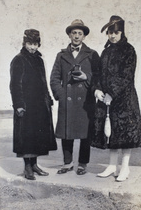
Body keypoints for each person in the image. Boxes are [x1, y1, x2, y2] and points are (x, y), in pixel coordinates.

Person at [91, 16, 141, 182]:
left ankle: (125, 168)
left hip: (124, 100)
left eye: (116, 32)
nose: (112, 36)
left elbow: (126, 76)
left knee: (125, 134)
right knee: (111, 133)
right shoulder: (105, 52)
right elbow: (98, 74)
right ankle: (112, 165)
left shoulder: (129, 50)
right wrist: (97, 89)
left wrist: (111, 93)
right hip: (107, 100)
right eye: (110, 33)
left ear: (122, 32)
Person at [50, 19, 100, 175]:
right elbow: (54, 78)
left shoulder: (92, 54)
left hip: (85, 100)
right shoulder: (61, 55)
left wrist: (86, 77)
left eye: (80, 33)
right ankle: (67, 163)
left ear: (84, 36)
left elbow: (99, 77)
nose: (77, 36)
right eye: (74, 33)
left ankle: (82, 164)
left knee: (85, 134)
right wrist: (61, 94)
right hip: (68, 100)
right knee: (67, 133)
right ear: (69, 35)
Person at [10, 29, 57, 180]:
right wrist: (18, 105)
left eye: (35, 44)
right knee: (27, 136)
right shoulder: (18, 60)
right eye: (29, 44)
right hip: (26, 106)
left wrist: (48, 99)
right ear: (24, 43)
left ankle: (35, 165)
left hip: (39, 106)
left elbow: (43, 83)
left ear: (38, 44)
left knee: (38, 136)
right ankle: (27, 167)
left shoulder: (39, 60)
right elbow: (15, 85)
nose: (32, 47)